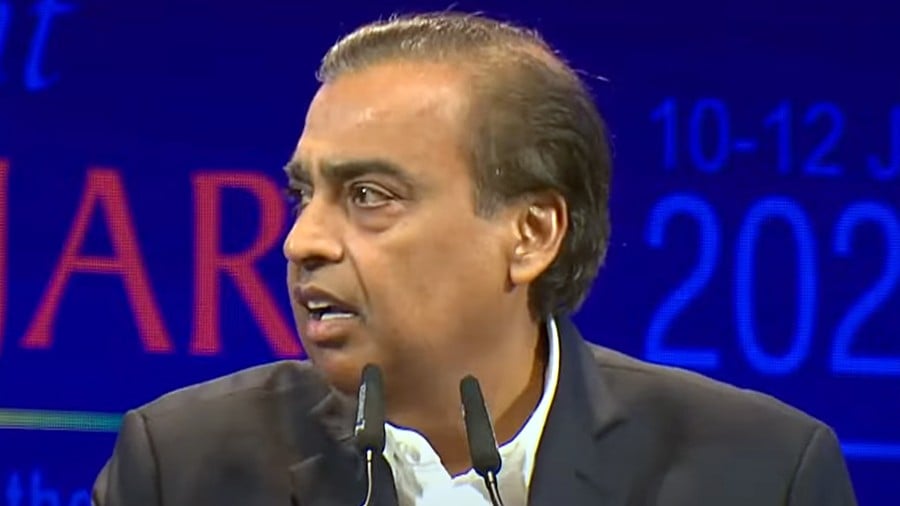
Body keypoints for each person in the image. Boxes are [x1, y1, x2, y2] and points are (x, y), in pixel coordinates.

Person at [91, 11, 858, 506]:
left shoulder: (762, 472)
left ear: (531, 234)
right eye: (304, 194)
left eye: (369, 195)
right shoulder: (180, 466)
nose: (302, 241)